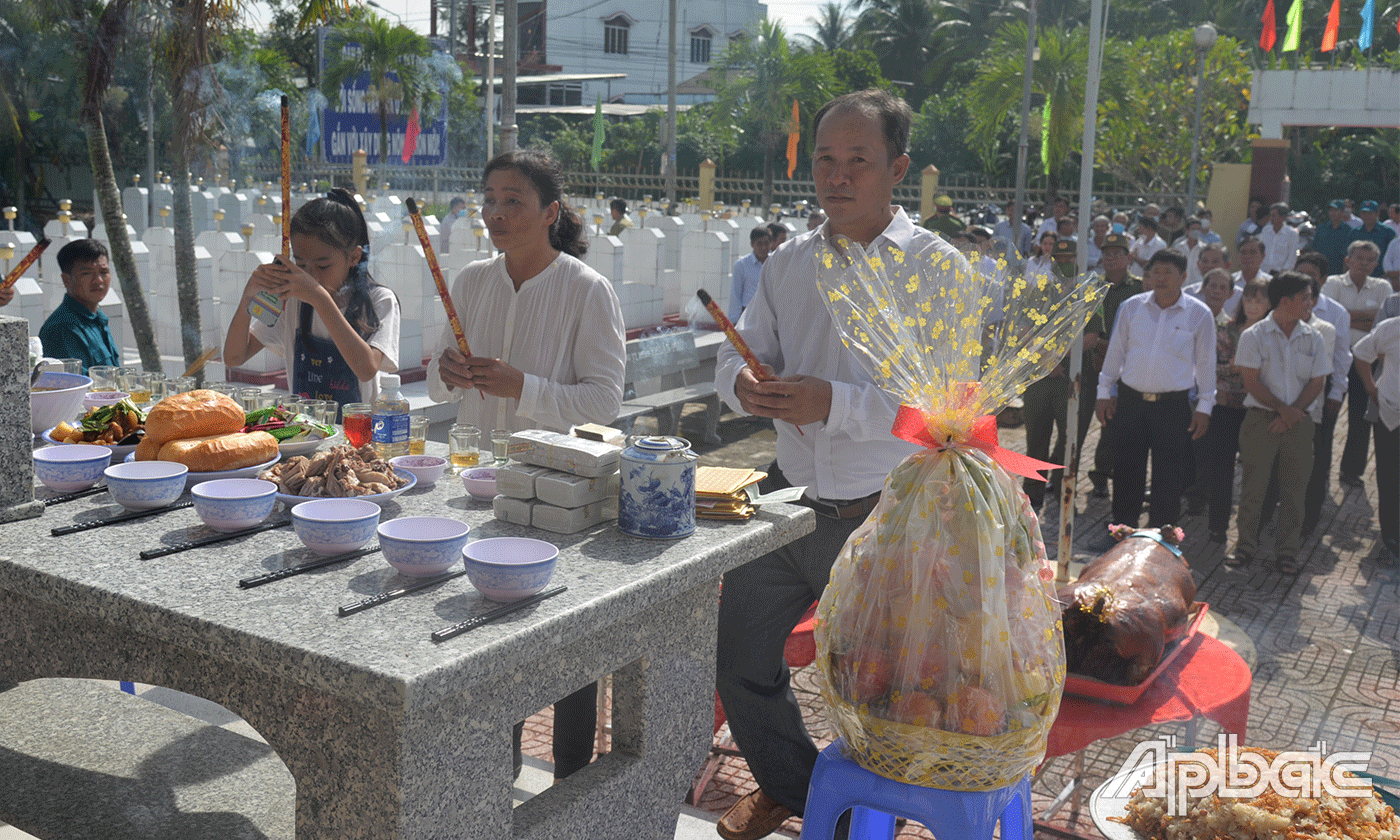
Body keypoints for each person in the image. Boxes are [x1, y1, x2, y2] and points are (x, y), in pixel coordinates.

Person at [712, 88, 954, 840]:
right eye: (825, 158)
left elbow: (943, 413)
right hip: (787, 502)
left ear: (898, 169)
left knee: (874, 693)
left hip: (887, 511)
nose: (837, 176)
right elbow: (737, 349)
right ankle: (795, 788)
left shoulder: (934, 269)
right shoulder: (787, 263)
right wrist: (743, 384)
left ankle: (864, 818)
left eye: (858, 160)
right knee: (741, 659)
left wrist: (837, 404)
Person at [425, 149, 626, 782]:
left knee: (567, 653)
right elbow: (435, 382)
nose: (497, 213)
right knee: (488, 641)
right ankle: (495, 780)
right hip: (481, 487)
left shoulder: (586, 290)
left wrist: (525, 388)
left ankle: (572, 786)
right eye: (489, 198)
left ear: (550, 212)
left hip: (560, 497)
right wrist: (447, 372)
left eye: (515, 200)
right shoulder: (471, 281)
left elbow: (605, 401)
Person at [223, 189, 400, 406]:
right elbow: (234, 357)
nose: (311, 275)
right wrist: (247, 300)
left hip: (358, 435)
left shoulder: (379, 301)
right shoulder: (294, 301)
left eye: (323, 265)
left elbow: (366, 369)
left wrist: (320, 298)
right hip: (305, 433)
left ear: (354, 256)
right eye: (301, 264)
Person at [1094, 249, 1215, 540]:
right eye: (1155, 272)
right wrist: (1103, 391)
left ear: (1184, 277)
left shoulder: (1199, 314)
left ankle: (1159, 540)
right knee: (1126, 471)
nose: (1160, 278)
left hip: (1172, 407)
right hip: (1131, 402)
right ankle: (1121, 534)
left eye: (1168, 272)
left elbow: (1206, 365)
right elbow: (1116, 353)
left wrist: (1205, 406)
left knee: (1168, 477)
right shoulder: (1131, 307)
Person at [1228, 271, 1331, 575]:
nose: (1310, 303)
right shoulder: (1254, 335)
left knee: (1294, 491)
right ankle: (1245, 546)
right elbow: (1251, 381)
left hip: (1299, 421)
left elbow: (1318, 380)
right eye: (1306, 298)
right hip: (1261, 419)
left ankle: (1287, 551)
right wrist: (1282, 410)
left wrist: (1292, 413)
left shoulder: (1313, 336)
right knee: (1253, 489)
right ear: (1286, 301)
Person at [1020, 238, 1102, 512]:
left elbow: (1092, 336)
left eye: (1069, 260)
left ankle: (1062, 486)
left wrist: (1058, 354)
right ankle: (1032, 494)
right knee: (1036, 439)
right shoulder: (1037, 291)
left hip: (1074, 378)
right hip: (1040, 378)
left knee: (1072, 439)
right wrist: (1046, 358)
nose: (1064, 264)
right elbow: (1023, 331)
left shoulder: (1089, 292)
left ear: (1078, 262)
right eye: (1060, 259)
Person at [1199, 275, 1268, 543]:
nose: (1253, 304)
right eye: (1249, 298)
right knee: (1222, 470)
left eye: (1260, 299)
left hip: (1258, 408)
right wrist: (1236, 368)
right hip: (1226, 408)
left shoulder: (1271, 332)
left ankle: (1250, 531)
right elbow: (1210, 368)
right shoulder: (1226, 329)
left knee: (1254, 472)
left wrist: (1247, 370)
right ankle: (1218, 525)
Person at [1324, 240, 1389, 488]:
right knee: (1328, 412)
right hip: (1336, 358)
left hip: (1366, 361)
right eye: (1359, 258)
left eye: (1369, 259)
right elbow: (1331, 318)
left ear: (1376, 264)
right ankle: (1321, 465)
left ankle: (1351, 471)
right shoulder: (1332, 283)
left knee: (1361, 417)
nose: (1364, 263)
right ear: (1348, 261)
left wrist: (1347, 317)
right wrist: (1365, 318)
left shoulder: (1382, 287)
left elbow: (1381, 324)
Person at [1085, 232, 1141, 498]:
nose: (1111, 259)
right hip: (1095, 359)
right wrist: (1099, 347)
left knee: (1119, 419)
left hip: (1128, 362)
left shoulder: (1140, 288)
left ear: (1129, 258)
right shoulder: (1092, 286)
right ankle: (1091, 472)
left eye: (1117, 254)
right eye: (1106, 254)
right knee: (1094, 416)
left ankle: (1111, 472)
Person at [1354, 298, 1400, 567]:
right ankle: (1390, 538)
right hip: (1391, 415)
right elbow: (1361, 353)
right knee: (1389, 477)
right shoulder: (1392, 328)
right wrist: (1371, 387)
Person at [38, 239, 121, 373]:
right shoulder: (63, 328)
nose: (98, 280)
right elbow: (79, 385)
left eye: (104, 272)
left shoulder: (98, 319)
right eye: (86, 273)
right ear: (66, 280)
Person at [729, 226, 772, 321]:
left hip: (770, 316)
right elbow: (735, 294)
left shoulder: (775, 263)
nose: (764, 247)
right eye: (759, 244)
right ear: (752, 244)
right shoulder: (742, 265)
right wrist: (734, 320)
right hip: (748, 315)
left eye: (766, 243)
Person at [1311, 199, 1357, 277]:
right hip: (1320, 271)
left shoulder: (1348, 231)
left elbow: (1347, 256)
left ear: (1342, 212)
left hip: (1338, 272)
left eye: (1336, 210)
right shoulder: (1321, 228)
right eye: (1331, 210)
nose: (1333, 213)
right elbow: (1314, 250)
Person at [1355, 200, 1396, 277]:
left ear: (1377, 213)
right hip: (1359, 278)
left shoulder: (1388, 232)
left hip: (1382, 278)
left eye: (1370, 213)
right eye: (1364, 213)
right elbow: (1348, 256)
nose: (1367, 216)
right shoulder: (1355, 233)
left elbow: (1395, 257)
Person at [1258, 202, 1299, 274]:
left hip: (1279, 273)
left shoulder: (1291, 234)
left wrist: (1283, 272)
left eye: (1274, 216)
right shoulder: (1266, 230)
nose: (1271, 218)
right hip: (1263, 271)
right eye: (1270, 215)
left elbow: (1292, 257)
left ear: (1283, 217)